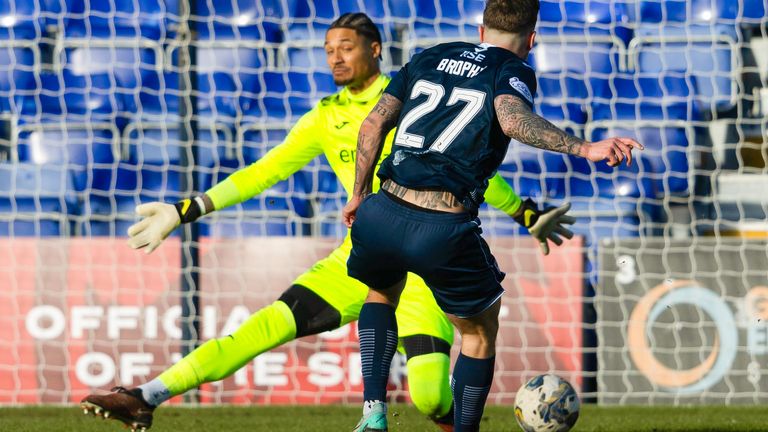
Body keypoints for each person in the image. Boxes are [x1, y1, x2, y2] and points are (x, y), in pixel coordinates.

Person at [78, 12, 575, 432]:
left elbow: (461, 166)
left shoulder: (413, 93)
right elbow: (263, 171)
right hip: (361, 254)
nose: (335, 57)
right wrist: (187, 209)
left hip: (423, 266)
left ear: (375, 50)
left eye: (346, 47)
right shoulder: (324, 116)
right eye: (327, 49)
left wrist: (524, 212)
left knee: (428, 396)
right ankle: (146, 394)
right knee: (262, 327)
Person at [342, 1, 644, 431]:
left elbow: (372, 125)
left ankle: (372, 413)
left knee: (380, 294)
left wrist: (358, 195)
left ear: (481, 29)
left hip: (383, 208)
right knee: (480, 331)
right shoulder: (512, 69)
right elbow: (512, 118)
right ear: (531, 40)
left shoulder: (430, 54)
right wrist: (585, 148)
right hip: (440, 223)